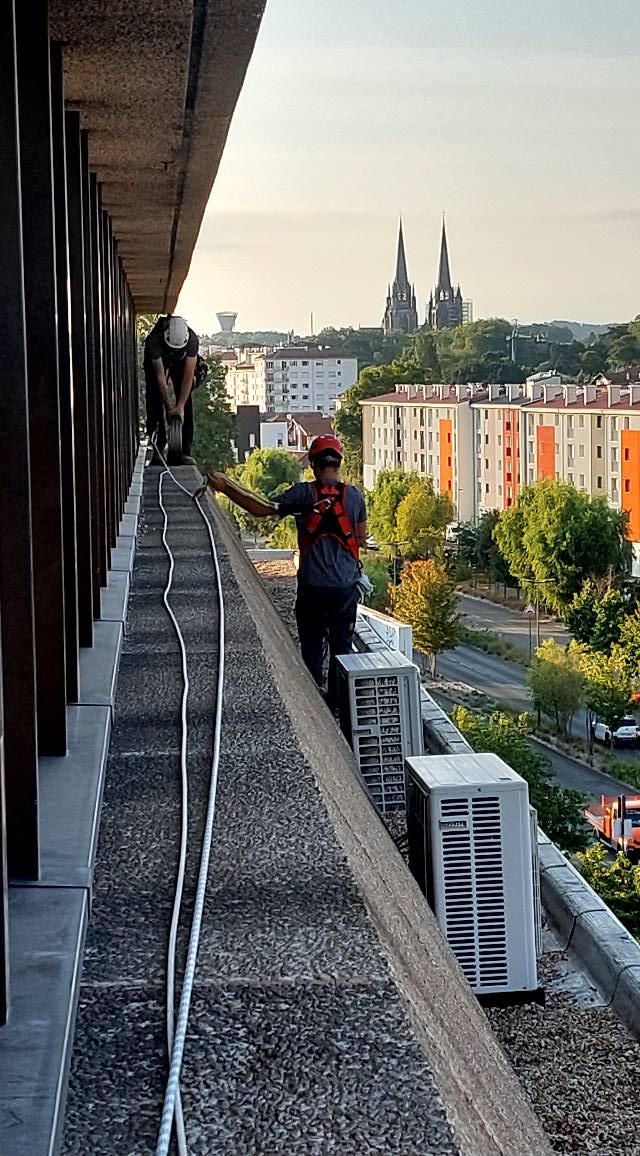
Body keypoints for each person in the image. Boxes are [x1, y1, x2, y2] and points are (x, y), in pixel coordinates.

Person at [208, 434, 368, 711]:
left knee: (311, 646)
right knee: (342, 651)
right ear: (338, 464)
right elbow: (362, 538)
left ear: (314, 465)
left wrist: (225, 486)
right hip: (345, 589)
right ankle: (337, 708)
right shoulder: (353, 496)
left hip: (313, 588)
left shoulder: (304, 494)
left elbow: (261, 508)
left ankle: (313, 702)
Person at [144, 314, 199, 463]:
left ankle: (184, 451)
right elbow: (160, 378)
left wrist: (179, 406)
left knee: (186, 402)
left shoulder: (192, 340)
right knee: (154, 397)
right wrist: (169, 407)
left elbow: (188, 376)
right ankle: (158, 446)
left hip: (181, 363)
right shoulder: (154, 341)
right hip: (159, 362)